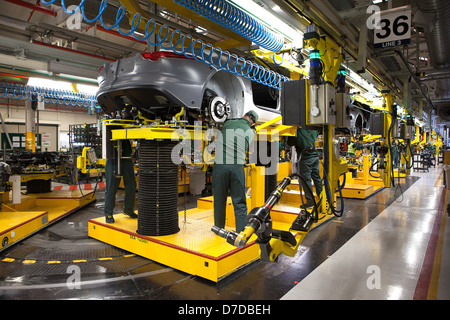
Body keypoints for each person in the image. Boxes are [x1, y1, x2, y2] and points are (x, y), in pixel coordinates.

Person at [212, 110, 258, 233]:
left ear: (244, 116)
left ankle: (218, 228)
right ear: (253, 123)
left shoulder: (228, 124)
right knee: (239, 201)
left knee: (219, 199)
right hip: (237, 168)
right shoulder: (251, 132)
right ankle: (240, 232)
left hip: (220, 167)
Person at [104, 109, 137, 223]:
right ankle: (108, 213)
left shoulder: (127, 123)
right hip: (113, 159)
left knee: (132, 185)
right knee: (111, 188)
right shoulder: (109, 123)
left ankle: (128, 209)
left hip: (126, 158)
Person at [288, 127, 322, 209]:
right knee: (316, 177)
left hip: (306, 159)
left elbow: (290, 142)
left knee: (306, 180)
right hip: (315, 157)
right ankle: (322, 197)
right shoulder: (313, 129)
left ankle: (310, 201)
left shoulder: (297, 131)